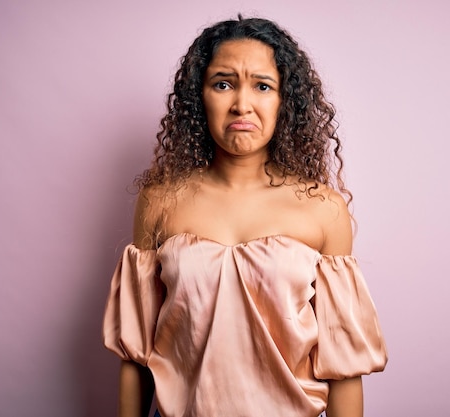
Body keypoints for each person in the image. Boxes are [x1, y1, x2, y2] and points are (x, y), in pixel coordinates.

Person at [103, 15, 387, 417]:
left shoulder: (324, 210)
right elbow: (136, 354)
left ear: (284, 100)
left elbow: (343, 367)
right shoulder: (160, 201)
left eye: (262, 86)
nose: (242, 103)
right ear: (199, 97)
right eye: (223, 83)